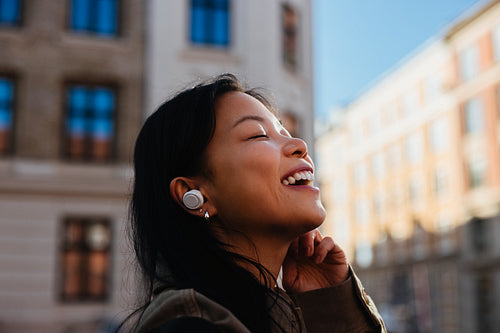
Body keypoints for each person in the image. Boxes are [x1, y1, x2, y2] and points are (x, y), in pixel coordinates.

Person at [127, 74, 386, 333]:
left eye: (286, 133)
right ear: (194, 193)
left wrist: (331, 304)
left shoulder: (275, 312)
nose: (299, 145)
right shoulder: (189, 327)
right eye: (258, 135)